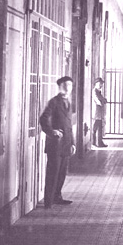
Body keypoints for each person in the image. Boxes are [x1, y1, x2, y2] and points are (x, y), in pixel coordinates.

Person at [40, 76, 76, 208]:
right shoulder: (54, 102)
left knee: (61, 172)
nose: (68, 88)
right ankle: (48, 201)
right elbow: (43, 119)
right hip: (55, 144)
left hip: (66, 143)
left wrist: (72, 143)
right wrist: (52, 131)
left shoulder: (68, 103)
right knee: (53, 172)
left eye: (70, 85)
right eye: (66, 85)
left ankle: (57, 196)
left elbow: (69, 124)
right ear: (60, 86)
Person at [92, 77, 108, 147]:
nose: (101, 85)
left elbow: (104, 100)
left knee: (100, 127)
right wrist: (101, 101)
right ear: (96, 84)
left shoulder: (99, 92)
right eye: (100, 83)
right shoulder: (94, 91)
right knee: (94, 128)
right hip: (96, 112)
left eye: (102, 84)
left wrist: (103, 100)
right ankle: (93, 142)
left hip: (99, 113)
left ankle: (100, 142)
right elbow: (98, 100)